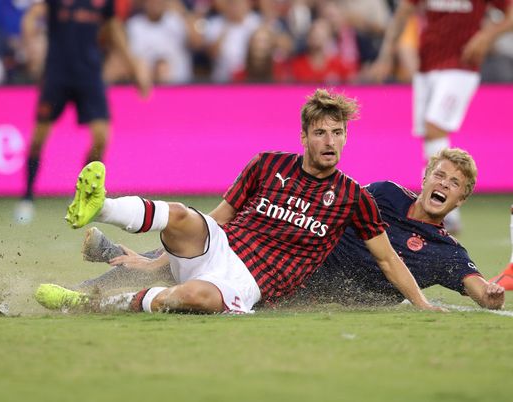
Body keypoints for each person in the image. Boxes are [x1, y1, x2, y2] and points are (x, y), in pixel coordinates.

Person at [35, 89, 442, 314]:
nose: (330, 141)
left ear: (345, 138)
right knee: (181, 216)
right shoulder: (266, 165)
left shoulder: (353, 196)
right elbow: (218, 218)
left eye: (337, 133)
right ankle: (102, 205)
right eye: (321, 133)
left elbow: (388, 259)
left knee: (195, 297)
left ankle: (92, 302)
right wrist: (157, 260)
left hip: (247, 281)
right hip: (220, 244)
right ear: (304, 136)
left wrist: (421, 303)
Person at [77, 148, 505, 310]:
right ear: (426, 175)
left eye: (455, 184)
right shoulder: (385, 194)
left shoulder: (446, 252)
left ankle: (114, 261)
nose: (444, 184)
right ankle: (89, 290)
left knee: (191, 275)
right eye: (440, 175)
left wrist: (494, 291)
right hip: (293, 252)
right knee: (175, 259)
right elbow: (336, 204)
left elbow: (481, 292)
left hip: (300, 286)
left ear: (460, 200)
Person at [370, 0, 513, 233]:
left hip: (461, 65)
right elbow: (404, 12)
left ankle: (446, 212)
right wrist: (386, 56)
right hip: (427, 64)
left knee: (434, 128)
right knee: (429, 136)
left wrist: (487, 36)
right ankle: (434, 209)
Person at [15, 0, 152, 224]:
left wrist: (133, 67)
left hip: (89, 75)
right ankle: (27, 198)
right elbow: (33, 15)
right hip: (56, 75)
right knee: (38, 138)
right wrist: (30, 43)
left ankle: (81, 195)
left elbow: (114, 30)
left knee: (101, 137)